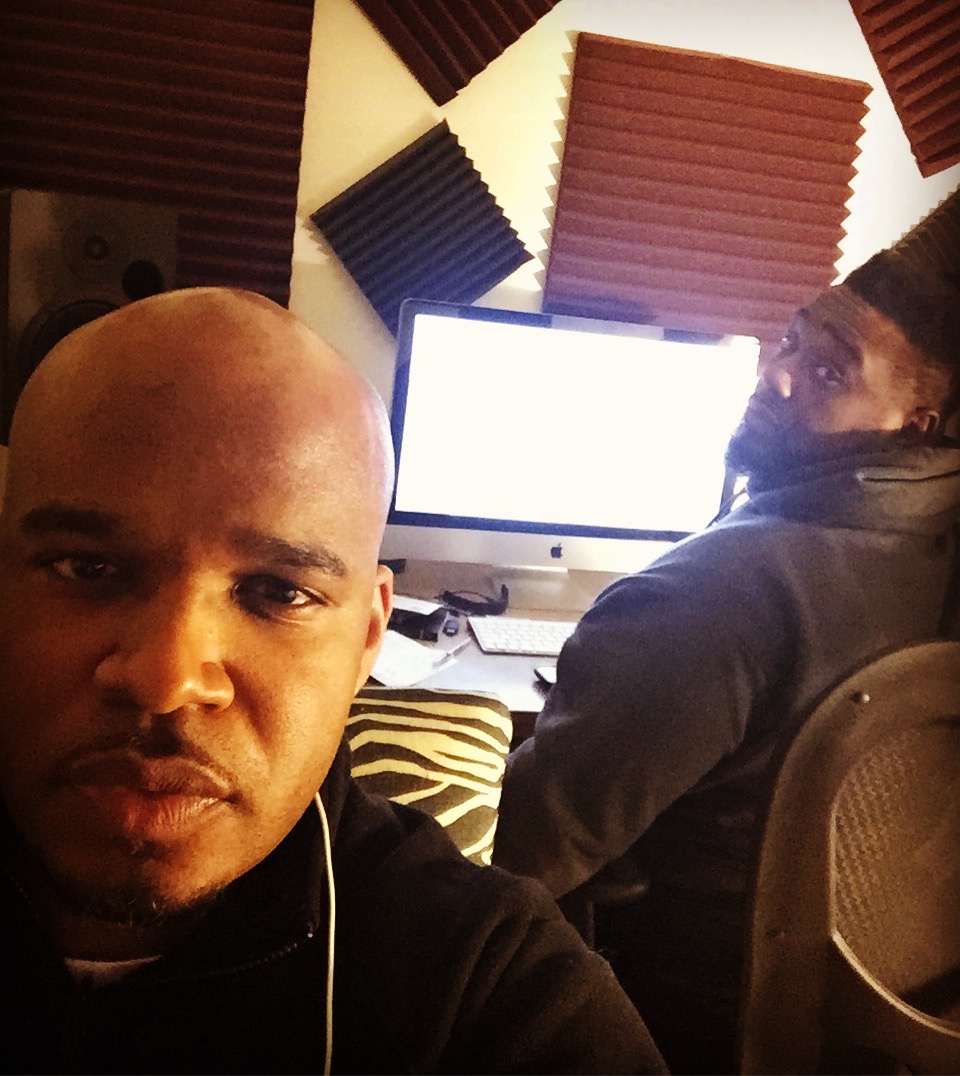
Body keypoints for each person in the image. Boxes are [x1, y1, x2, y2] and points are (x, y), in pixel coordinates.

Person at [0, 288, 666, 1075]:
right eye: (87, 568)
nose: (168, 679)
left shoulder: (489, 988)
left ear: (367, 640)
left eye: (278, 592)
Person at [493, 246, 960, 1073]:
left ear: (915, 420)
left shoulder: (709, 594)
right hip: (862, 1032)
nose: (777, 375)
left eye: (828, 372)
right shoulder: (937, 561)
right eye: (790, 341)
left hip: (665, 1018)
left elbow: (526, 852)